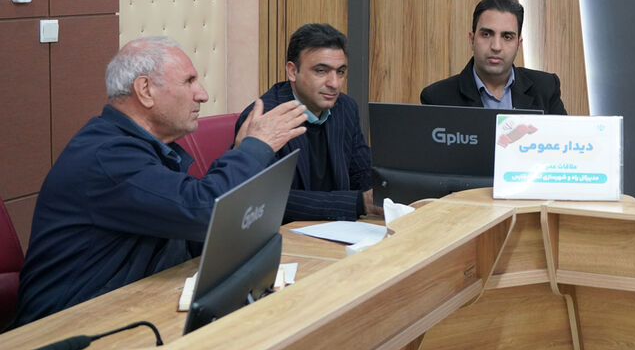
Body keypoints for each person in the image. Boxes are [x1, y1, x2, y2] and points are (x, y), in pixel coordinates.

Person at [14, 37, 307, 326]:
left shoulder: (142, 147)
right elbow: (206, 211)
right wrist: (256, 146)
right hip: (64, 330)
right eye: (189, 81)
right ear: (145, 90)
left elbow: (192, 230)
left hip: (126, 308)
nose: (202, 95)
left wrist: (241, 152)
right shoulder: (108, 156)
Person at [236, 23, 380, 222]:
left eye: (340, 72)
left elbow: (361, 174)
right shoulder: (264, 120)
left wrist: (386, 191)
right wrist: (359, 203)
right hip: (285, 232)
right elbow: (266, 199)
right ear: (292, 71)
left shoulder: (345, 107)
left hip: (339, 228)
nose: (334, 84)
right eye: (321, 71)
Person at [420, 0, 568, 114]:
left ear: (518, 44)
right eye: (486, 34)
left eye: (507, 37)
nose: (496, 47)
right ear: (472, 40)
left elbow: (563, 140)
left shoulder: (546, 88)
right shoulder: (437, 98)